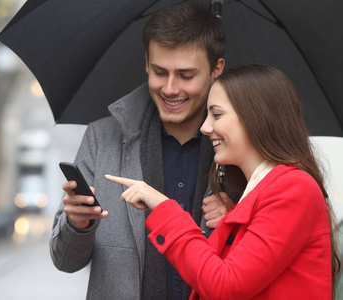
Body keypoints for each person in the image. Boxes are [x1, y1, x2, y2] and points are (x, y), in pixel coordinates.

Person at [106, 64, 341, 299]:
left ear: (256, 117)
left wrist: (165, 209)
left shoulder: (293, 188)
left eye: (216, 114)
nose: (205, 127)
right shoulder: (260, 192)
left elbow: (225, 285)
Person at [50, 2, 235, 299]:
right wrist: (77, 224)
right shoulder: (102, 138)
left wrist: (237, 220)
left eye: (186, 76)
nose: (170, 89)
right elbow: (64, 261)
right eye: (160, 72)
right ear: (147, 63)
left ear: (216, 70)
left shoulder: (242, 144)